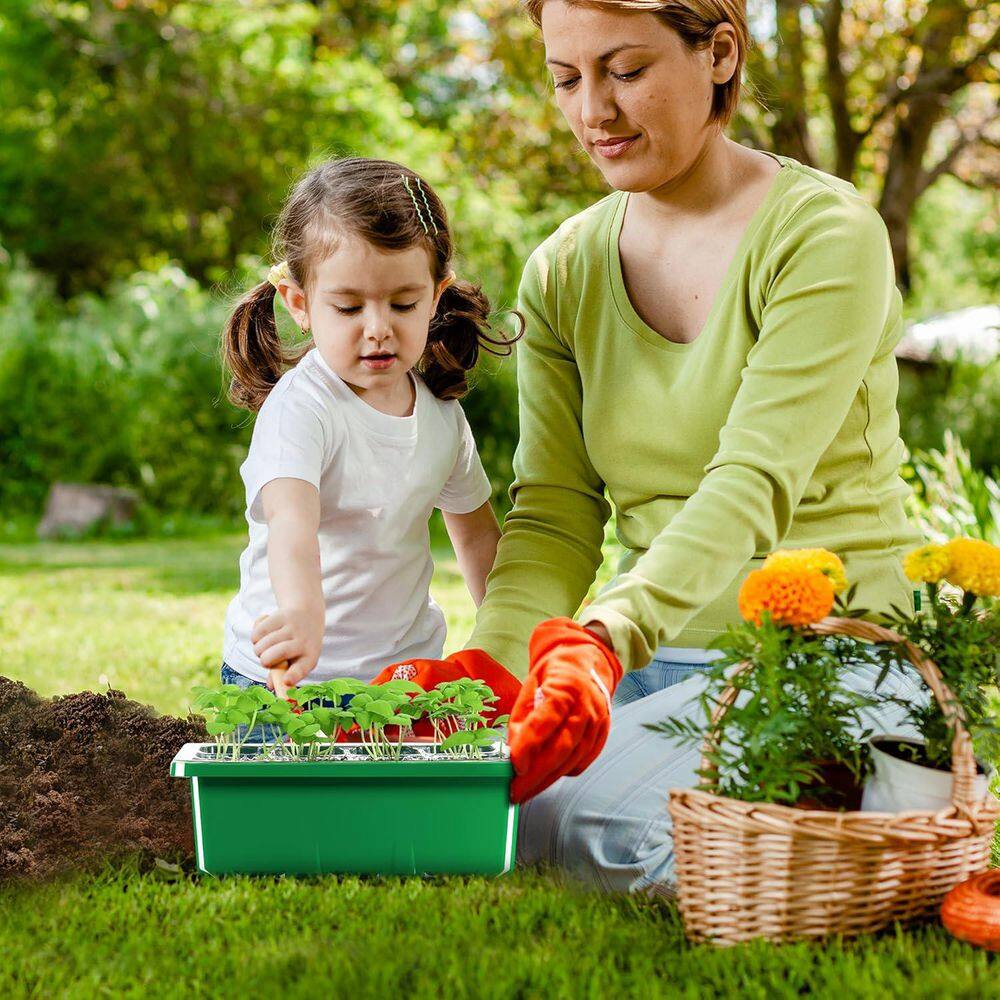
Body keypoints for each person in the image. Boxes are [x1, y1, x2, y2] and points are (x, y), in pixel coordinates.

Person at [402, 0, 922, 890]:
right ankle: (830, 818)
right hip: (654, 664)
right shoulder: (565, 268)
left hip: (829, 651)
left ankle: (879, 810)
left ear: (718, 52)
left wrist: (603, 638)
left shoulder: (824, 236)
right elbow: (559, 512)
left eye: (626, 70)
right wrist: (490, 668)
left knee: (584, 822)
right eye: (566, 79)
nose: (592, 111)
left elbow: (753, 482)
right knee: (475, 794)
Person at [217, 157, 520, 715]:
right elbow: (292, 525)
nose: (377, 326)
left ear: (435, 297)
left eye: (403, 304)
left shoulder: (441, 416)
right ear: (301, 304)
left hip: (401, 679)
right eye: (349, 306)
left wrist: (515, 643)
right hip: (291, 682)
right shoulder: (301, 409)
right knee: (299, 804)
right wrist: (303, 615)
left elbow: (477, 537)